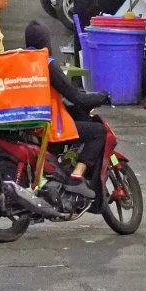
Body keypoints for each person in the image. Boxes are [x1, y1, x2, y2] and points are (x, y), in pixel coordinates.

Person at [25, 20, 109, 201]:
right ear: (45, 42)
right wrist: (101, 96)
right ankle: (77, 176)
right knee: (99, 132)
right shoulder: (46, 64)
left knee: (75, 114)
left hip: (33, 120)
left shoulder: (24, 60)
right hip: (50, 125)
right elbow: (75, 96)